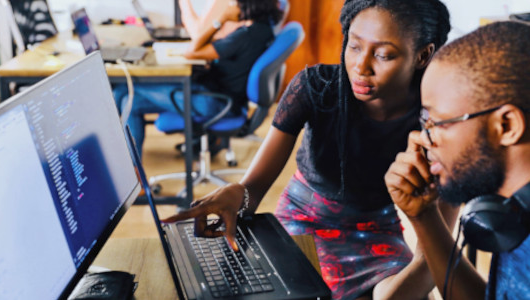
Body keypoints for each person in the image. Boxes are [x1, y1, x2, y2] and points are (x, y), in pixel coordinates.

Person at [162, 0, 459, 299]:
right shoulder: (315, 89)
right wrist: (238, 195)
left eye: (383, 54)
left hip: (378, 233)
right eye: (354, 46)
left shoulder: (438, 123)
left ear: (423, 55)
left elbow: (432, 257)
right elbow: (253, 190)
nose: (361, 66)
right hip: (302, 222)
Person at [384, 21, 530, 300]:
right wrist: (423, 216)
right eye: (424, 121)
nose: (422, 138)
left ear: (507, 126)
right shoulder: (512, 211)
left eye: (438, 122)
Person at [113, 0, 283, 156]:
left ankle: (122, 163)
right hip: (220, 97)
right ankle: (136, 174)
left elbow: (192, 51)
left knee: (124, 91)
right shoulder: (263, 29)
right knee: (130, 101)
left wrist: (220, 20)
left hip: (215, 103)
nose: (232, 3)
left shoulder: (245, 36)